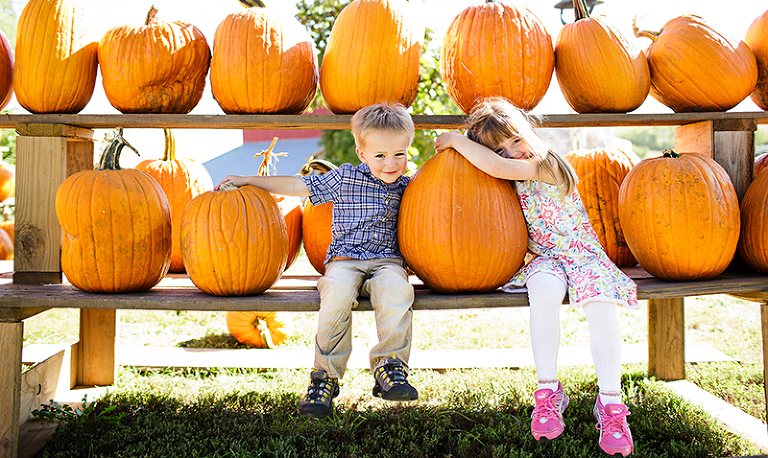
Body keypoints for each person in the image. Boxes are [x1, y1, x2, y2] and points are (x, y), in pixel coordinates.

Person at [434, 97, 638, 457]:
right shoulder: (511, 172)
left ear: (528, 131)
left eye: (516, 140)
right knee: (542, 292)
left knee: (600, 305)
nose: (512, 151)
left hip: (583, 256)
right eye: (501, 148)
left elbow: (495, 166)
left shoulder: (545, 164)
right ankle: (548, 390)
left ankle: (610, 401)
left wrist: (454, 140)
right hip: (545, 259)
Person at [214, 102, 418, 418]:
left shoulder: (409, 186)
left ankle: (390, 367)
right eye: (380, 155)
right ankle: (324, 377)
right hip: (345, 261)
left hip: (387, 262)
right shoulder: (344, 178)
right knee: (336, 294)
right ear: (362, 154)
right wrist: (248, 180)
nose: (391, 164)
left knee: (397, 291)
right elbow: (298, 185)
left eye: (399, 154)